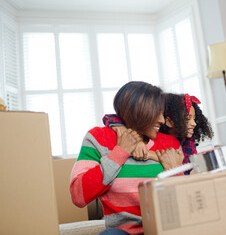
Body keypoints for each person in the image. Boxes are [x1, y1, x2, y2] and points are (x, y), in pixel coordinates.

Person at [70, 81, 184, 235]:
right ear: (139, 111)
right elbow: (78, 196)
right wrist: (120, 152)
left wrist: (175, 170)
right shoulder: (98, 138)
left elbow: (186, 202)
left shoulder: (169, 144)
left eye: (163, 113)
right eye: (156, 112)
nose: (162, 120)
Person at [103, 93, 214, 174]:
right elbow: (109, 118)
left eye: (194, 119)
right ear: (169, 122)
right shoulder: (153, 133)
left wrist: (150, 155)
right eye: (187, 119)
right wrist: (125, 132)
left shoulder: (188, 141)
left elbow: (185, 166)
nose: (194, 123)